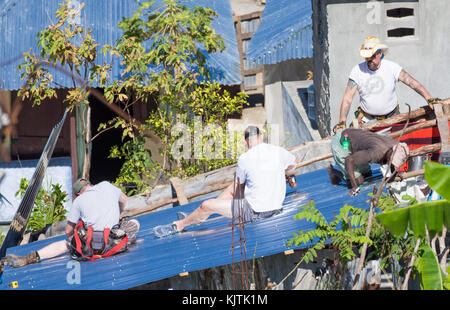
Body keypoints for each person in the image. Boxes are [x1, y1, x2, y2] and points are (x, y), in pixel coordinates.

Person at [153, 126, 299, 238]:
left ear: (245, 142)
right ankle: (202, 216)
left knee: (206, 205)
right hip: (276, 208)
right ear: (261, 136)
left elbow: (239, 188)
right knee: (232, 188)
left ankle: (179, 226)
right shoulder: (278, 151)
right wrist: (284, 172)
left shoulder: (245, 159)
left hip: (255, 212)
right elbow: (295, 163)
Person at [6, 179, 140, 268]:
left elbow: (68, 231)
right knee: (134, 222)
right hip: (115, 245)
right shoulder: (106, 185)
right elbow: (124, 200)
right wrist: (118, 218)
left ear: (78, 193)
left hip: (90, 247)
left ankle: (29, 258)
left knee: (66, 244)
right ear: (90, 185)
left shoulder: (78, 201)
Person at [333, 36, 439, 133]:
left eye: (372, 57)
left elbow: (411, 82)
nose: (369, 60)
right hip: (367, 120)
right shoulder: (357, 71)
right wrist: (342, 121)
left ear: (379, 54)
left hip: (393, 118)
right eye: (366, 58)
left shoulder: (392, 67)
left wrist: (429, 98)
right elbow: (348, 98)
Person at [328, 128, 409, 197]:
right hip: (341, 142)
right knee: (358, 181)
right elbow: (349, 160)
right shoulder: (376, 153)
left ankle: (353, 175)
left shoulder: (396, 145)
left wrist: (394, 174)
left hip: (353, 139)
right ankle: (334, 172)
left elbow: (390, 159)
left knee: (367, 175)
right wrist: (354, 186)